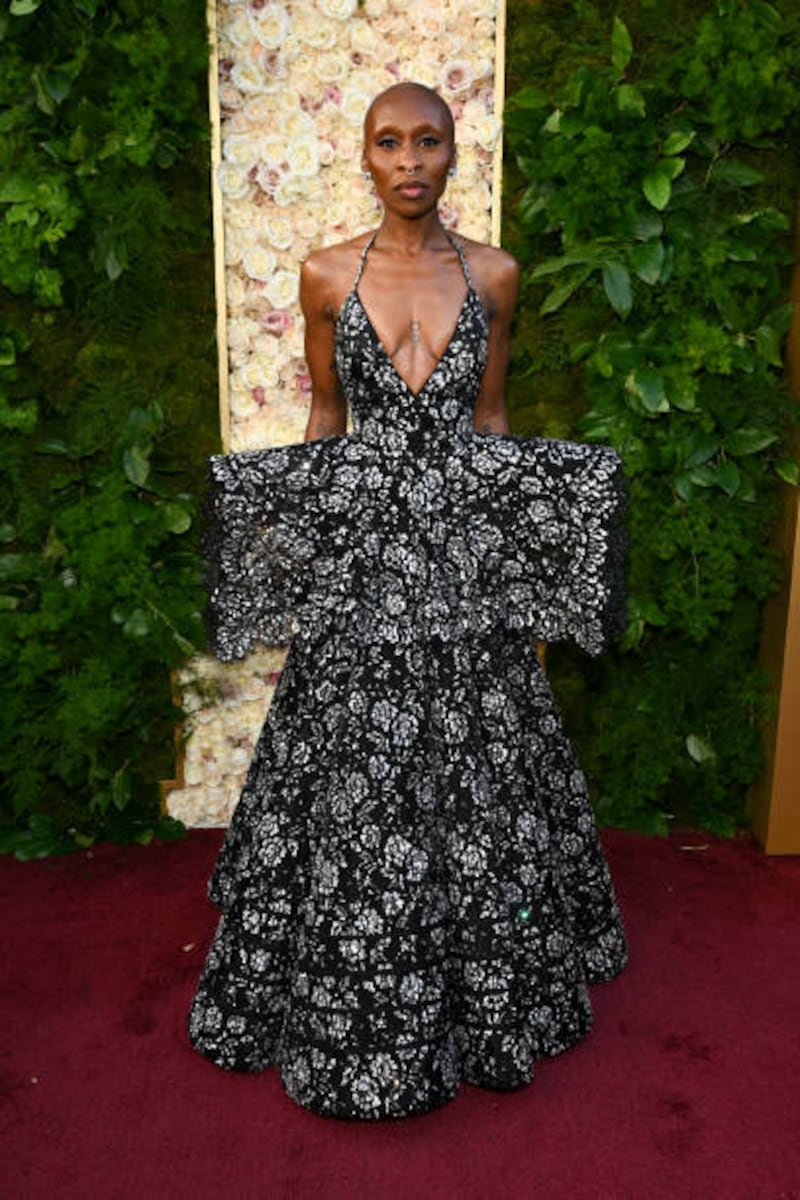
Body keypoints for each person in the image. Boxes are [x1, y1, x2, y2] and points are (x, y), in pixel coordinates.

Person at [188, 82, 628, 1120]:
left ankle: (485, 985)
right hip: (361, 565)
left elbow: (490, 420)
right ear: (365, 156)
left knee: (481, 765)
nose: (408, 161)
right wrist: (298, 561)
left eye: (427, 140)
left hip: (460, 568)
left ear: (452, 151)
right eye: (388, 142)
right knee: (352, 769)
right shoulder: (325, 276)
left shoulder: (496, 276)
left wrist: (515, 565)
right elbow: (324, 415)